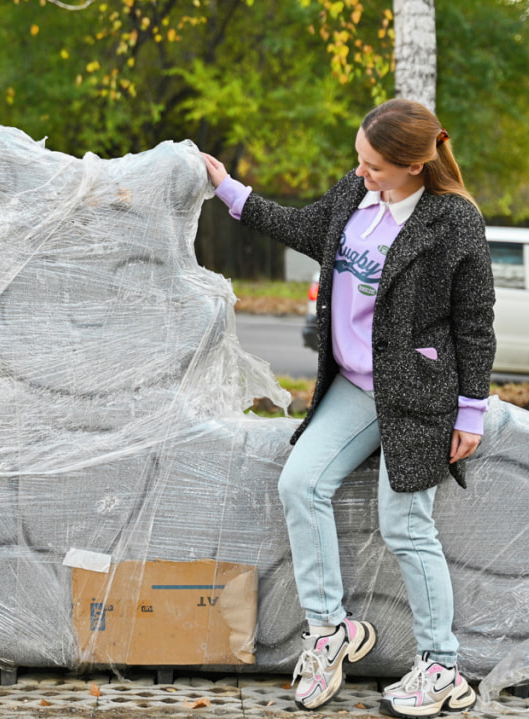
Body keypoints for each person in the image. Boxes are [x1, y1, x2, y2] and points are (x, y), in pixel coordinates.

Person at [201, 98, 496, 718]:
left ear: (417, 164)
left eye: (376, 167)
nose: (362, 173)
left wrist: (469, 411)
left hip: (419, 394)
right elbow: (303, 229)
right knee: (299, 484)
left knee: (406, 525)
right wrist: (229, 188)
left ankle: (442, 667)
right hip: (354, 387)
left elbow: (474, 324)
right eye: (359, 160)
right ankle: (331, 631)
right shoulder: (353, 197)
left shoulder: (453, 223)